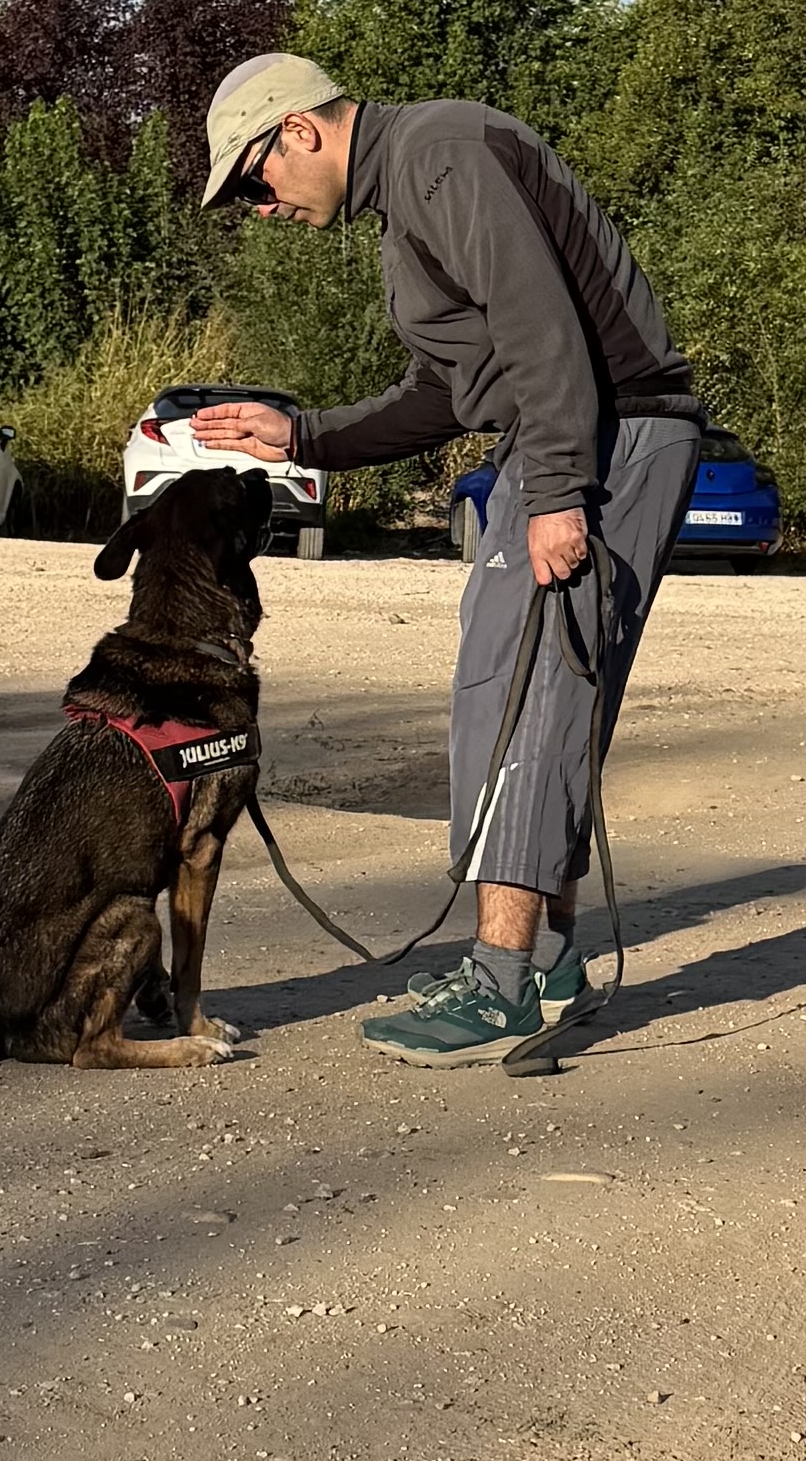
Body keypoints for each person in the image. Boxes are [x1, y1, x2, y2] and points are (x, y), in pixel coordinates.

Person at [191, 52, 703, 1064]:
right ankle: (545, 962)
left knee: (520, 703)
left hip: (603, 441)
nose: (262, 207)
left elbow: (540, 328)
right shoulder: (410, 194)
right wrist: (305, 436)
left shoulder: (441, 154)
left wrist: (558, 493)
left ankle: (501, 981)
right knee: (527, 700)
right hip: (572, 440)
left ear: (298, 131)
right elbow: (450, 391)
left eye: (253, 182)